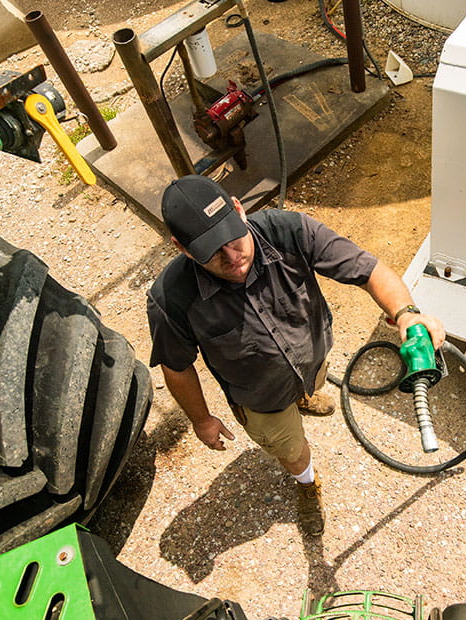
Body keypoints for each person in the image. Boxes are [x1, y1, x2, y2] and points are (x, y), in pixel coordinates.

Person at [146, 175, 445, 536]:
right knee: (291, 450)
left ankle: (305, 396)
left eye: (233, 238)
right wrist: (201, 420)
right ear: (182, 248)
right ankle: (306, 482)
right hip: (262, 401)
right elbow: (176, 367)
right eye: (212, 252)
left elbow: (368, 270)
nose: (232, 257)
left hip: (313, 362)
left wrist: (406, 313)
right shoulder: (171, 298)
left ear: (239, 210)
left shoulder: (288, 230)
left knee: (313, 382)